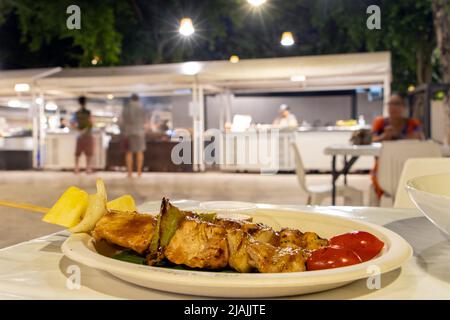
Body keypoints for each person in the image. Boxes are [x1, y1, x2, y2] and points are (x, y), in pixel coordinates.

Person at [370, 94, 424, 202]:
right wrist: (384, 136)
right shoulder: (380, 123)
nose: (393, 107)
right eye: (390, 104)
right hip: (383, 168)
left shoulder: (412, 123)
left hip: (408, 166)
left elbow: (419, 138)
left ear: (403, 107)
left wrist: (397, 135)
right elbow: (372, 139)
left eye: (397, 104)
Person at [121, 94, 147, 177]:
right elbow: (145, 120)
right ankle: (139, 172)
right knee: (139, 152)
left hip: (128, 132)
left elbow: (123, 120)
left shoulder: (126, 107)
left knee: (129, 153)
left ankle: (130, 172)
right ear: (138, 99)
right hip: (140, 132)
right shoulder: (142, 107)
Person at [71, 96, 94, 174]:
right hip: (87, 134)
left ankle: (77, 168)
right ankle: (88, 168)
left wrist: (78, 129)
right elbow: (91, 123)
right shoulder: (88, 112)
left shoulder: (76, 113)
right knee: (89, 153)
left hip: (79, 135)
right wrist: (85, 129)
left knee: (78, 153)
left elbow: (72, 123)